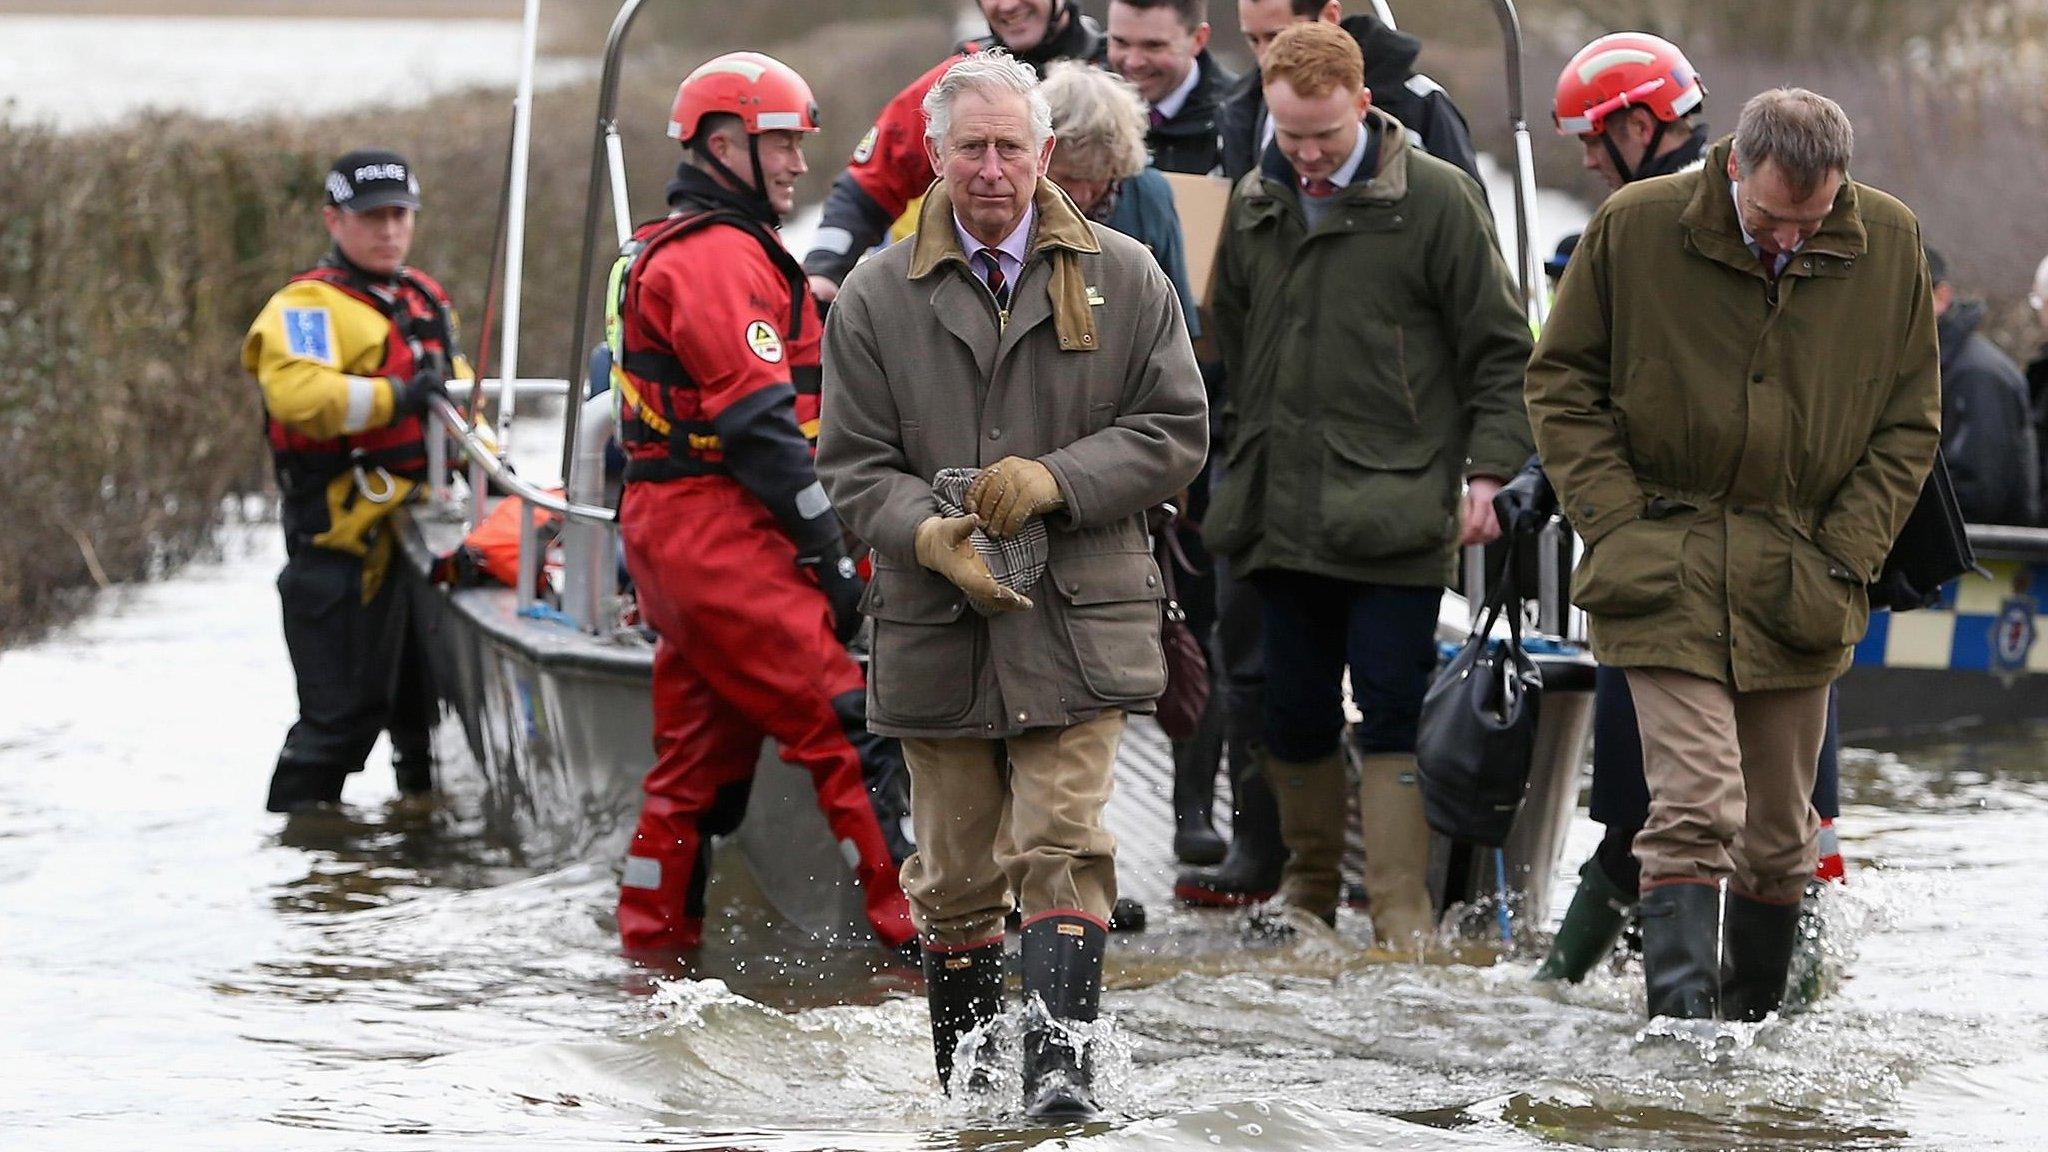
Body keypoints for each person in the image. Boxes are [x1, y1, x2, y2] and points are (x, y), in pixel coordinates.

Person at [817, 50, 1207, 1118]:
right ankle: (967, 1097)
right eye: (970, 149)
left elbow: (1177, 433)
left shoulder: (1127, 276)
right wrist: (926, 533)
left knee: (1062, 842)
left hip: (1082, 614)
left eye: (1010, 147)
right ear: (934, 159)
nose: (992, 169)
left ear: (1046, 153)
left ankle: (1060, 1084)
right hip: (933, 619)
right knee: (948, 880)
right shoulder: (871, 294)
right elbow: (848, 466)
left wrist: (1058, 479)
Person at [1527, 88, 1940, 1021]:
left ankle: (1754, 1034)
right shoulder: (1637, 226)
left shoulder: (1889, 241)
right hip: (1660, 564)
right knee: (1696, 807)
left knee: (1783, 840)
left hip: (1803, 573)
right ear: (1731, 168)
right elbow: (1560, 383)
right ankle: (1680, 1039)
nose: (1790, 239)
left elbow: (1910, 423)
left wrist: (1847, 550)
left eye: (1812, 219)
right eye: (1769, 218)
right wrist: (1618, 522)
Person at [1202, 22, 1533, 948]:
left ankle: (1399, 910)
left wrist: (1488, 473)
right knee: (1290, 706)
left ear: (1364, 106)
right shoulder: (1253, 202)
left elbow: (1503, 354)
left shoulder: (1437, 200)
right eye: (1290, 135)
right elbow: (1222, 342)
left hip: (1397, 506)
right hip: (1277, 504)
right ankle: (1307, 895)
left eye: (1325, 136)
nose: (1306, 155)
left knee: (1391, 703)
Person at [608, 52, 916, 961]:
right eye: (778, 143)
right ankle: (932, 952)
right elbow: (759, 425)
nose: (794, 164)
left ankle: (652, 956)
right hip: (717, 532)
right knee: (849, 725)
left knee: (694, 771)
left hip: (683, 536)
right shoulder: (714, 259)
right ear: (722, 142)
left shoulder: (688, 249)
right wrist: (827, 549)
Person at [1036, 61, 1222, 868]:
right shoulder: (1018, 207)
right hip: (1048, 441)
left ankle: (1188, 811)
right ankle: (1067, 846)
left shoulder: (1148, 199)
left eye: (1097, 177)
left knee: (1181, 622)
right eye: (1069, 177)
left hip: (1137, 442)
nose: (1084, 193)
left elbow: (1175, 315)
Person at [244, 149, 469, 813]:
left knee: (421, 722)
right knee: (335, 726)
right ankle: (305, 859)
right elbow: (299, 396)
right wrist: (395, 398)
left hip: (421, 540)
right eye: (372, 217)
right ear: (333, 221)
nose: (389, 230)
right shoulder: (308, 306)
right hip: (340, 551)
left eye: (400, 215)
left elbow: (459, 404)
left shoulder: (423, 297)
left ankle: (416, 847)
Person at [803, 0, 1106, 302]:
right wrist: (825, 269)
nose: (1008, 5)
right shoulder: (955, 85)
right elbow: (867, 188)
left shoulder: (1123, 68)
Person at [1219, 0, 1480, 185]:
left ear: (1330, 17)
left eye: (1280, 36)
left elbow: (1468, 230)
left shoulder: (1418, 103)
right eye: (1253, 40)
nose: (1266, 56)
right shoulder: (1239, 110)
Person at [1924, 247, 2038, 526]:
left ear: (1942, 296)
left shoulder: (1978, 375)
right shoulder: (1935, 364)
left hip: (1978, 557)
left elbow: (1980, 492)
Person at [1106, 0, 1235, 175]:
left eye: (1153, 46)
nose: (1133, 62)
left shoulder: (1238, 119)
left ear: (1198, 39)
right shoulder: (1083, 106)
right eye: (1121, 43)